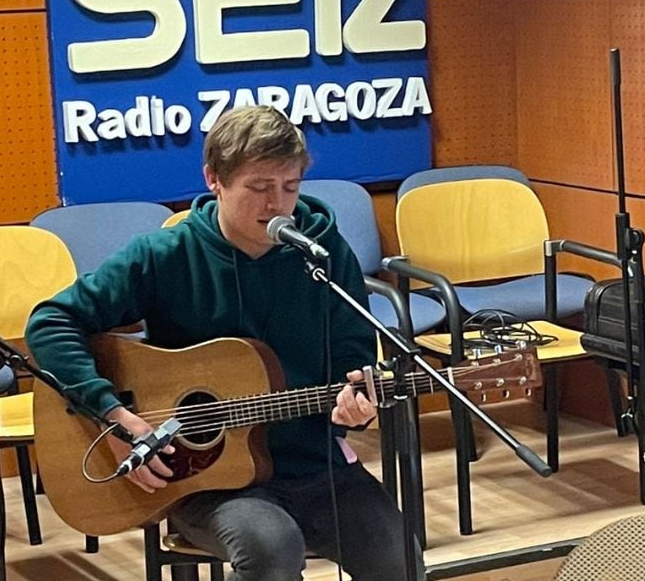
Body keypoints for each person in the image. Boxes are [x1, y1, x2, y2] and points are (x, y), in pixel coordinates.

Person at [26, 105, 422, 581]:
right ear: (214, 179)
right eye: (259, 188)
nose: (278, 205)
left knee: (399, 559)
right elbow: (51, 322)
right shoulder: (166, 256)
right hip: (204, 479)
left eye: (290, 187)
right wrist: (113, 418)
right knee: (272, 550)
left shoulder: (324, 255)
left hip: (313, 464)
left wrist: (355, 404)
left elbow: (353, 359)